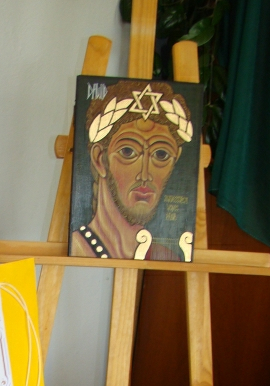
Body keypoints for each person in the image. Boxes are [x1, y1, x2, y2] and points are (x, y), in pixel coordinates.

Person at [71, 80, 194, 261]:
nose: (144, 175)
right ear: (99, 159)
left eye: (161, 154)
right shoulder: (77, 250)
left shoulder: (167, 258)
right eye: (128, 152)